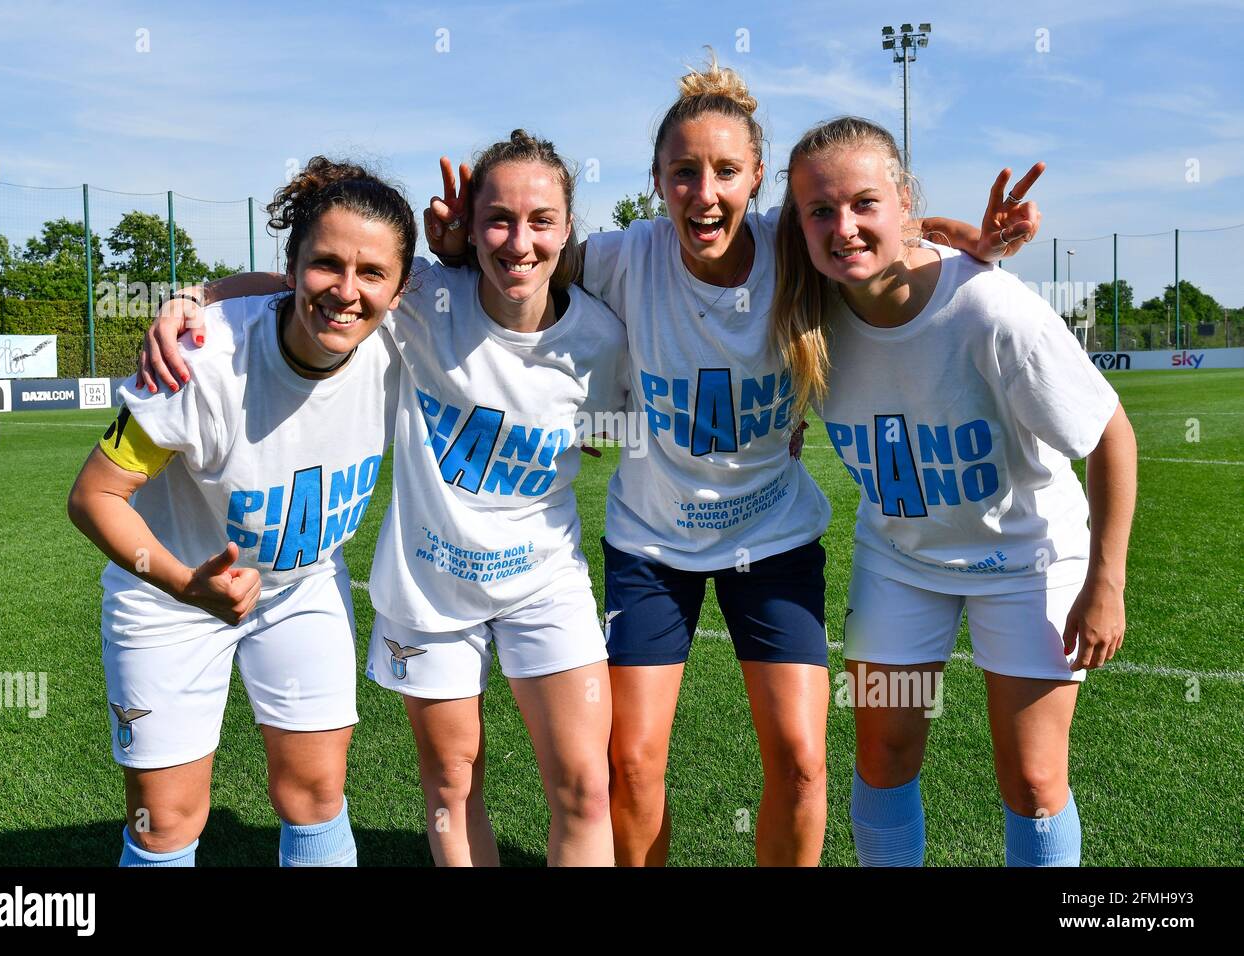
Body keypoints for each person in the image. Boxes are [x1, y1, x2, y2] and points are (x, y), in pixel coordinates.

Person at [424, 52, 1038, 866]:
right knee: (632, 765)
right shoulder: (620, 256)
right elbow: (523, 261)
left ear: (756, 182)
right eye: (683, 172)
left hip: (774, 539)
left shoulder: (799, 252)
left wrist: (971, 240)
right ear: (657, 180)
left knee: (802, 759)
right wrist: (461, 246)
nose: (702, 193)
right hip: (651, 547)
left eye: (724, 172)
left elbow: (882, 240)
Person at [139, 131, 629, 866]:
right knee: (453, 786)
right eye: (498, 218)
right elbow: (298, 282)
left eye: (540, 221)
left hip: (545, 583)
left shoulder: (601, 338)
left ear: (567, 230)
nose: (519, 241)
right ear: (468, 226)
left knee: (586, 787)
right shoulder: (423, 298)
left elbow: (641, 413)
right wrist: (192, 297)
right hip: (428, 590)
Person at [773, 115, 1137, 866]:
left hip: (1027, 560)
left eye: (865, 203)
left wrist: (1106, 581)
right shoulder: (801, 314)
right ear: (796, 222)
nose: (843, 227)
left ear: (904, 200)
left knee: (1034, 780)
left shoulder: (991, 311)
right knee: (884, 759)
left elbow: (1110, 435)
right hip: (902, 566)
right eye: (820, 210)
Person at [69, 157, 412, 866]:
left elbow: (512, 300)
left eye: (372, 274)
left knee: (315, 794)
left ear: (401, 290)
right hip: (168, 598)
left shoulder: (399, 346)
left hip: (301, 587)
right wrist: (183, 583)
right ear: (290, 267)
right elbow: (93, 496)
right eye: (326, 265)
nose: (347, 293)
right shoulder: (201, 358)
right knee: (164, 822)